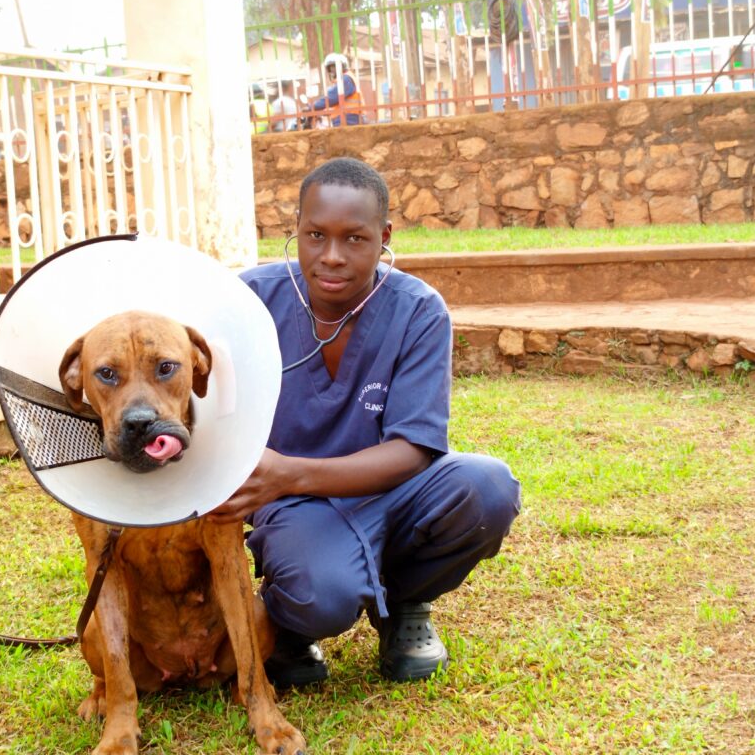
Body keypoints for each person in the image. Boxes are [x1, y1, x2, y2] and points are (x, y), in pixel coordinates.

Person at [209, 157, 521, 687]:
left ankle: (405, 606)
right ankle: (290, 624)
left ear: (385, 236)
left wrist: (289, 473)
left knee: (487, 488)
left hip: (388, 490)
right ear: (296, 232)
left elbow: (414, 450)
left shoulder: (418, 310)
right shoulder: (250, 302)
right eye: (315, 235)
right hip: (296, 510)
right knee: (318, 595)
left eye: (354, 238)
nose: (331, 257)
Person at [310, 53, 363, 127]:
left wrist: (312, 107)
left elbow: (332, 98)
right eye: (331, 68)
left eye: (335, 67)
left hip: (349, 118)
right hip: (345, 117)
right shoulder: (342, 80)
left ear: (343, 66)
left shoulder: (346, 79)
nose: (333, 70)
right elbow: (336, 102)